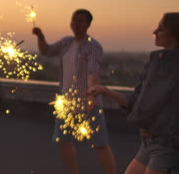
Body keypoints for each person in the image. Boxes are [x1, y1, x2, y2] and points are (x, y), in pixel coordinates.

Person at [89, 13, 179, 174]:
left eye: (161, 28)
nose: (155, 31)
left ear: (175, 33)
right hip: (147, 142)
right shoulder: (155, 62)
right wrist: (106, 91)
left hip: (168, 146)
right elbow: (135, 102)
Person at [32, 9, 117, 174]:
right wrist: (40, 36)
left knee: (100, 143)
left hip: (88, 101)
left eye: (80, 21)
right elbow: (46, 51)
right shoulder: (66, 43)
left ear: (88, 24)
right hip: (66, 102)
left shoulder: (93, 46)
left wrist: (92, 94)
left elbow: (93, 72)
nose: (76, 24)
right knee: (62, 140)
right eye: (74, 20)